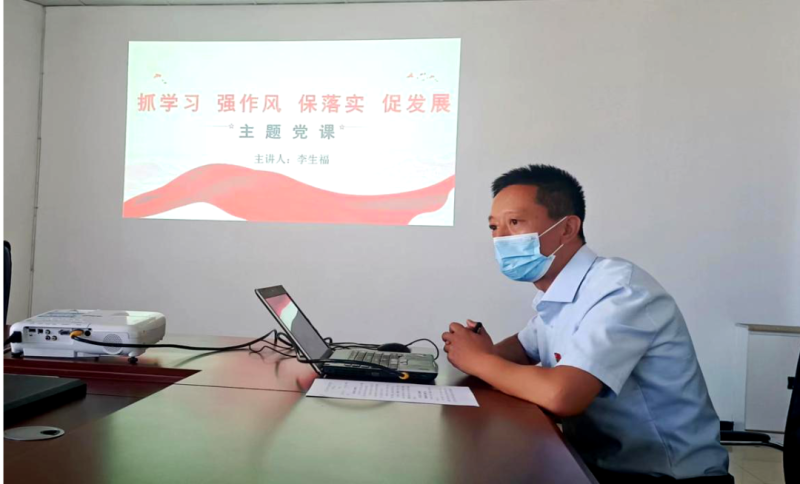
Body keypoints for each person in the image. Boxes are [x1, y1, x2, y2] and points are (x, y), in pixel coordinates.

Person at [441, 165, 731, 483]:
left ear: (567, 228)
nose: (500, 238)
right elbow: (520, 350)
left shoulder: (620, 290)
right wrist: (480, 352)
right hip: (595, 467)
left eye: (514, 223)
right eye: (494, 227)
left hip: (666, 477)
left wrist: (480, 359)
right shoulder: (558, 295)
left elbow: (562, 395)